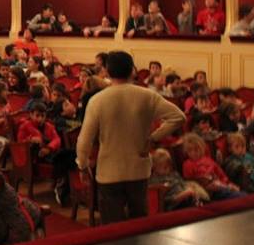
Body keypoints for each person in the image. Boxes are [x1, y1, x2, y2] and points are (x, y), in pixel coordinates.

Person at [76, 51, 185, 224]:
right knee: (138, 226)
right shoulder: (147, 95)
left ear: (108, 71)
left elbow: (84, 141)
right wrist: (153, 138)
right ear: (132, 71)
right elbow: (178, 117)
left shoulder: (97, 100)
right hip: (138, 170)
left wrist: (82, 166)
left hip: (109, 172)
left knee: (112, 228)